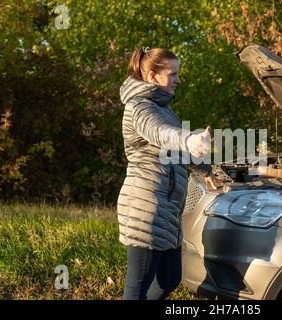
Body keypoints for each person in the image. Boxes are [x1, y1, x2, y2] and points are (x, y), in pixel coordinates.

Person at [118, 46, 221, 300]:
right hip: (146, 207)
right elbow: (161, 133)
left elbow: (173, 151)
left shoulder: (162, 108)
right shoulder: (139, 108)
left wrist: (205, 169)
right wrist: (188, 139)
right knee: (137, 288)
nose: (178, 80)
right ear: (154, 77)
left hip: (168, 208)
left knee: (169, 280)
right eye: (173, 74)